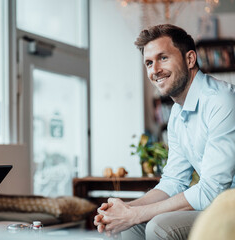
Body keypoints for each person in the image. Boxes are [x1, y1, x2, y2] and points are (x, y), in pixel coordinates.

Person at [94, 24, 235, 239]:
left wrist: (135, 214)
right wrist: (125, 209)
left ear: (189, 59)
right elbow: (173, 181)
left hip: (228, 206)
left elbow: (211, 190)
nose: (154, 70)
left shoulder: (221, 101)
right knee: (131, 225)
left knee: (158, 226)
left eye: (163, 58)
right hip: (214, 204)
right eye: (149, 63)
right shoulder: (177, 114)